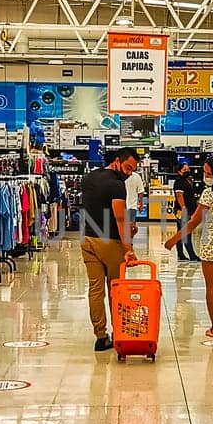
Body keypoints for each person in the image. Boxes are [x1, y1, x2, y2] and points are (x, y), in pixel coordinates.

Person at [165, 157, 213, 337]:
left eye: (208, 173)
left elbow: (194, 222)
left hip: (211, 244)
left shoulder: (208, 194)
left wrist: (173, 240)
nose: (205, 176)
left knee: (211, 287)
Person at [80, 148, 138, 351]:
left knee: (95, 290)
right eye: (128, 168)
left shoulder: (88, 178)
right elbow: (120, 219)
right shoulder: (117, 185)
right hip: (109, 243)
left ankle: (100, 336)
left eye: (133, 170)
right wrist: (129, 248)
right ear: (117, 161)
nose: (129, 173)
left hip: (87, 239)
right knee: (117, 290)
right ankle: (120, 332)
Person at [171, 163, 197, 261]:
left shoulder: (188, 181)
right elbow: (179, 196)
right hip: (182, 211)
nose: (187, 171)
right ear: (179, 171)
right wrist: (183, 208)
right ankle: (192, 255)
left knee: (180, 232)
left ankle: (181, 254)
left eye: (188, 169)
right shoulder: (179, 182)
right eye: (184, 170)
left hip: (189, 210)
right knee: (186, 232)